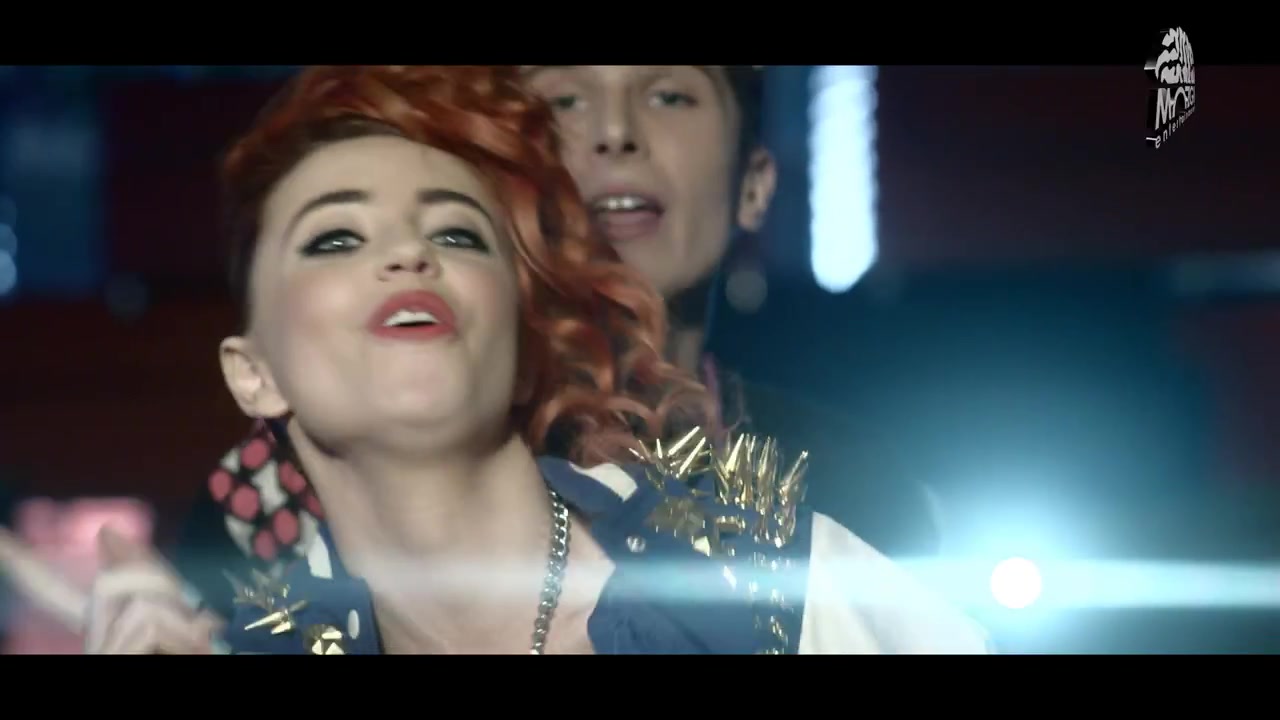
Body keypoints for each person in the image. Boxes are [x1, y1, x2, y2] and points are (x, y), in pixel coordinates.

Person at [0, 66, 986, 654]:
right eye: (335, 237)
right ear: (251, 369)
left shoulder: (788, 578)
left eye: (456, 232)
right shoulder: (263, 565)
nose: (613, 135)